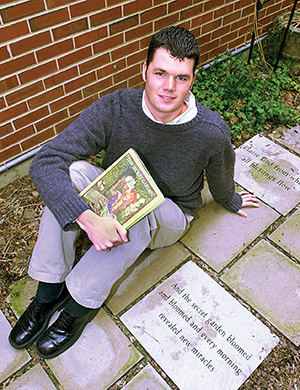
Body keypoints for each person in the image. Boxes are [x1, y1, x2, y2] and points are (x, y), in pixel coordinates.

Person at [9, 26, 259, 359]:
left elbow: (221, 175)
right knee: (70, 173)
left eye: (181, 78)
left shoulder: (210, 131)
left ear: (193, 79)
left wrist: (231, 199)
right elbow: (46, 161)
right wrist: (86, 218)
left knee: (139, 209)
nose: (169, 88)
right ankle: (49, 287)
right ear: (144, 70)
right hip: (119, 190)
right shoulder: (117, 108)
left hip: (170, 212)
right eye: (160, 73)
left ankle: (80, 304)